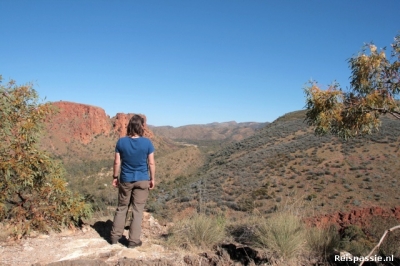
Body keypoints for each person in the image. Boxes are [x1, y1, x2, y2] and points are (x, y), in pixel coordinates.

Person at [110, 114, 155, 248]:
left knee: (122, 207)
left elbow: (117, 162)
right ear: (141, 127)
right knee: (137, 210)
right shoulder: (147, 143)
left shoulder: (121, 142)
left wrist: (115, 177)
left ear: (129, 126)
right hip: (142, 180)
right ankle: (133, 241)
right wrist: (152, 178)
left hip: (125, 180)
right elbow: (151, 163)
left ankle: (114, 237)